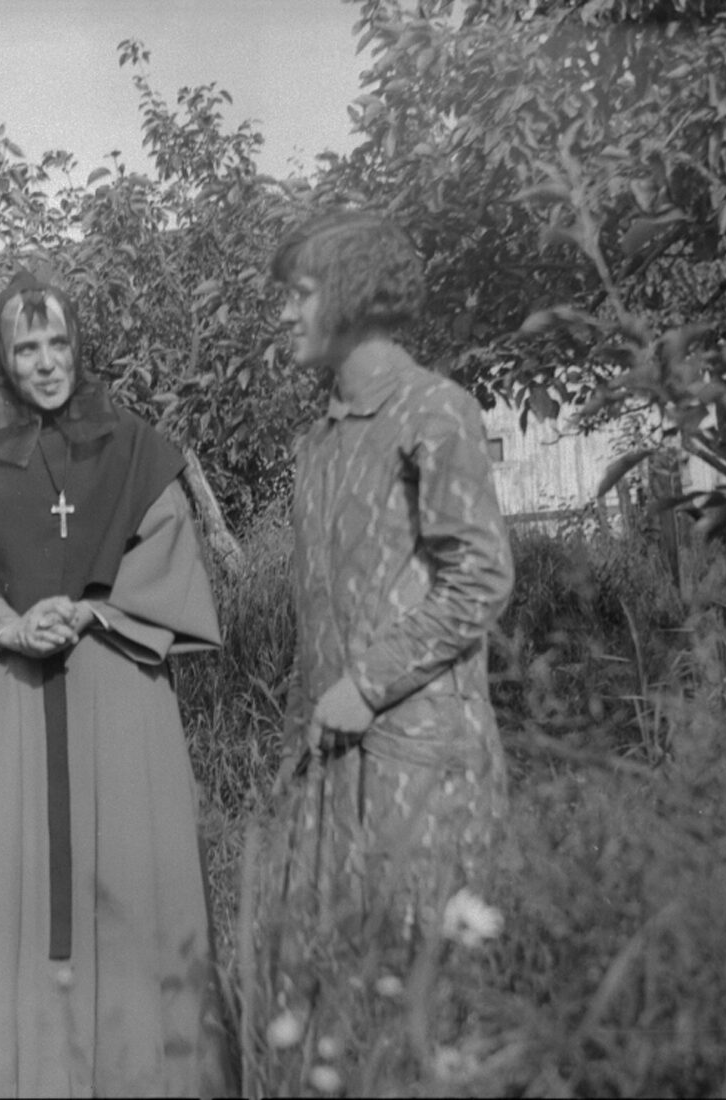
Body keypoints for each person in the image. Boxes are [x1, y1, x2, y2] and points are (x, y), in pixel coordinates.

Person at [0, 270, 228, 1097]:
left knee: (126, 884)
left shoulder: (138, 449)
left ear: (79, 345)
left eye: (58, 344)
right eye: (25, 348)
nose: (46, 364)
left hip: (115, 684)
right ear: (0, 359)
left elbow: (164, 553)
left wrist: (86, 614)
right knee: (6, 887)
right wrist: (5, 626)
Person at [271, 212, 514, 939]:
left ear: (350, 294)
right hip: (331, 759)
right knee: (341, 985)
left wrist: (368, 684)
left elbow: (479, 578)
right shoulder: (316, 443)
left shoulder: (432, 410)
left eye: (300, 293)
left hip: (421, 758)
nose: (285, 314)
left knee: (433, 981)